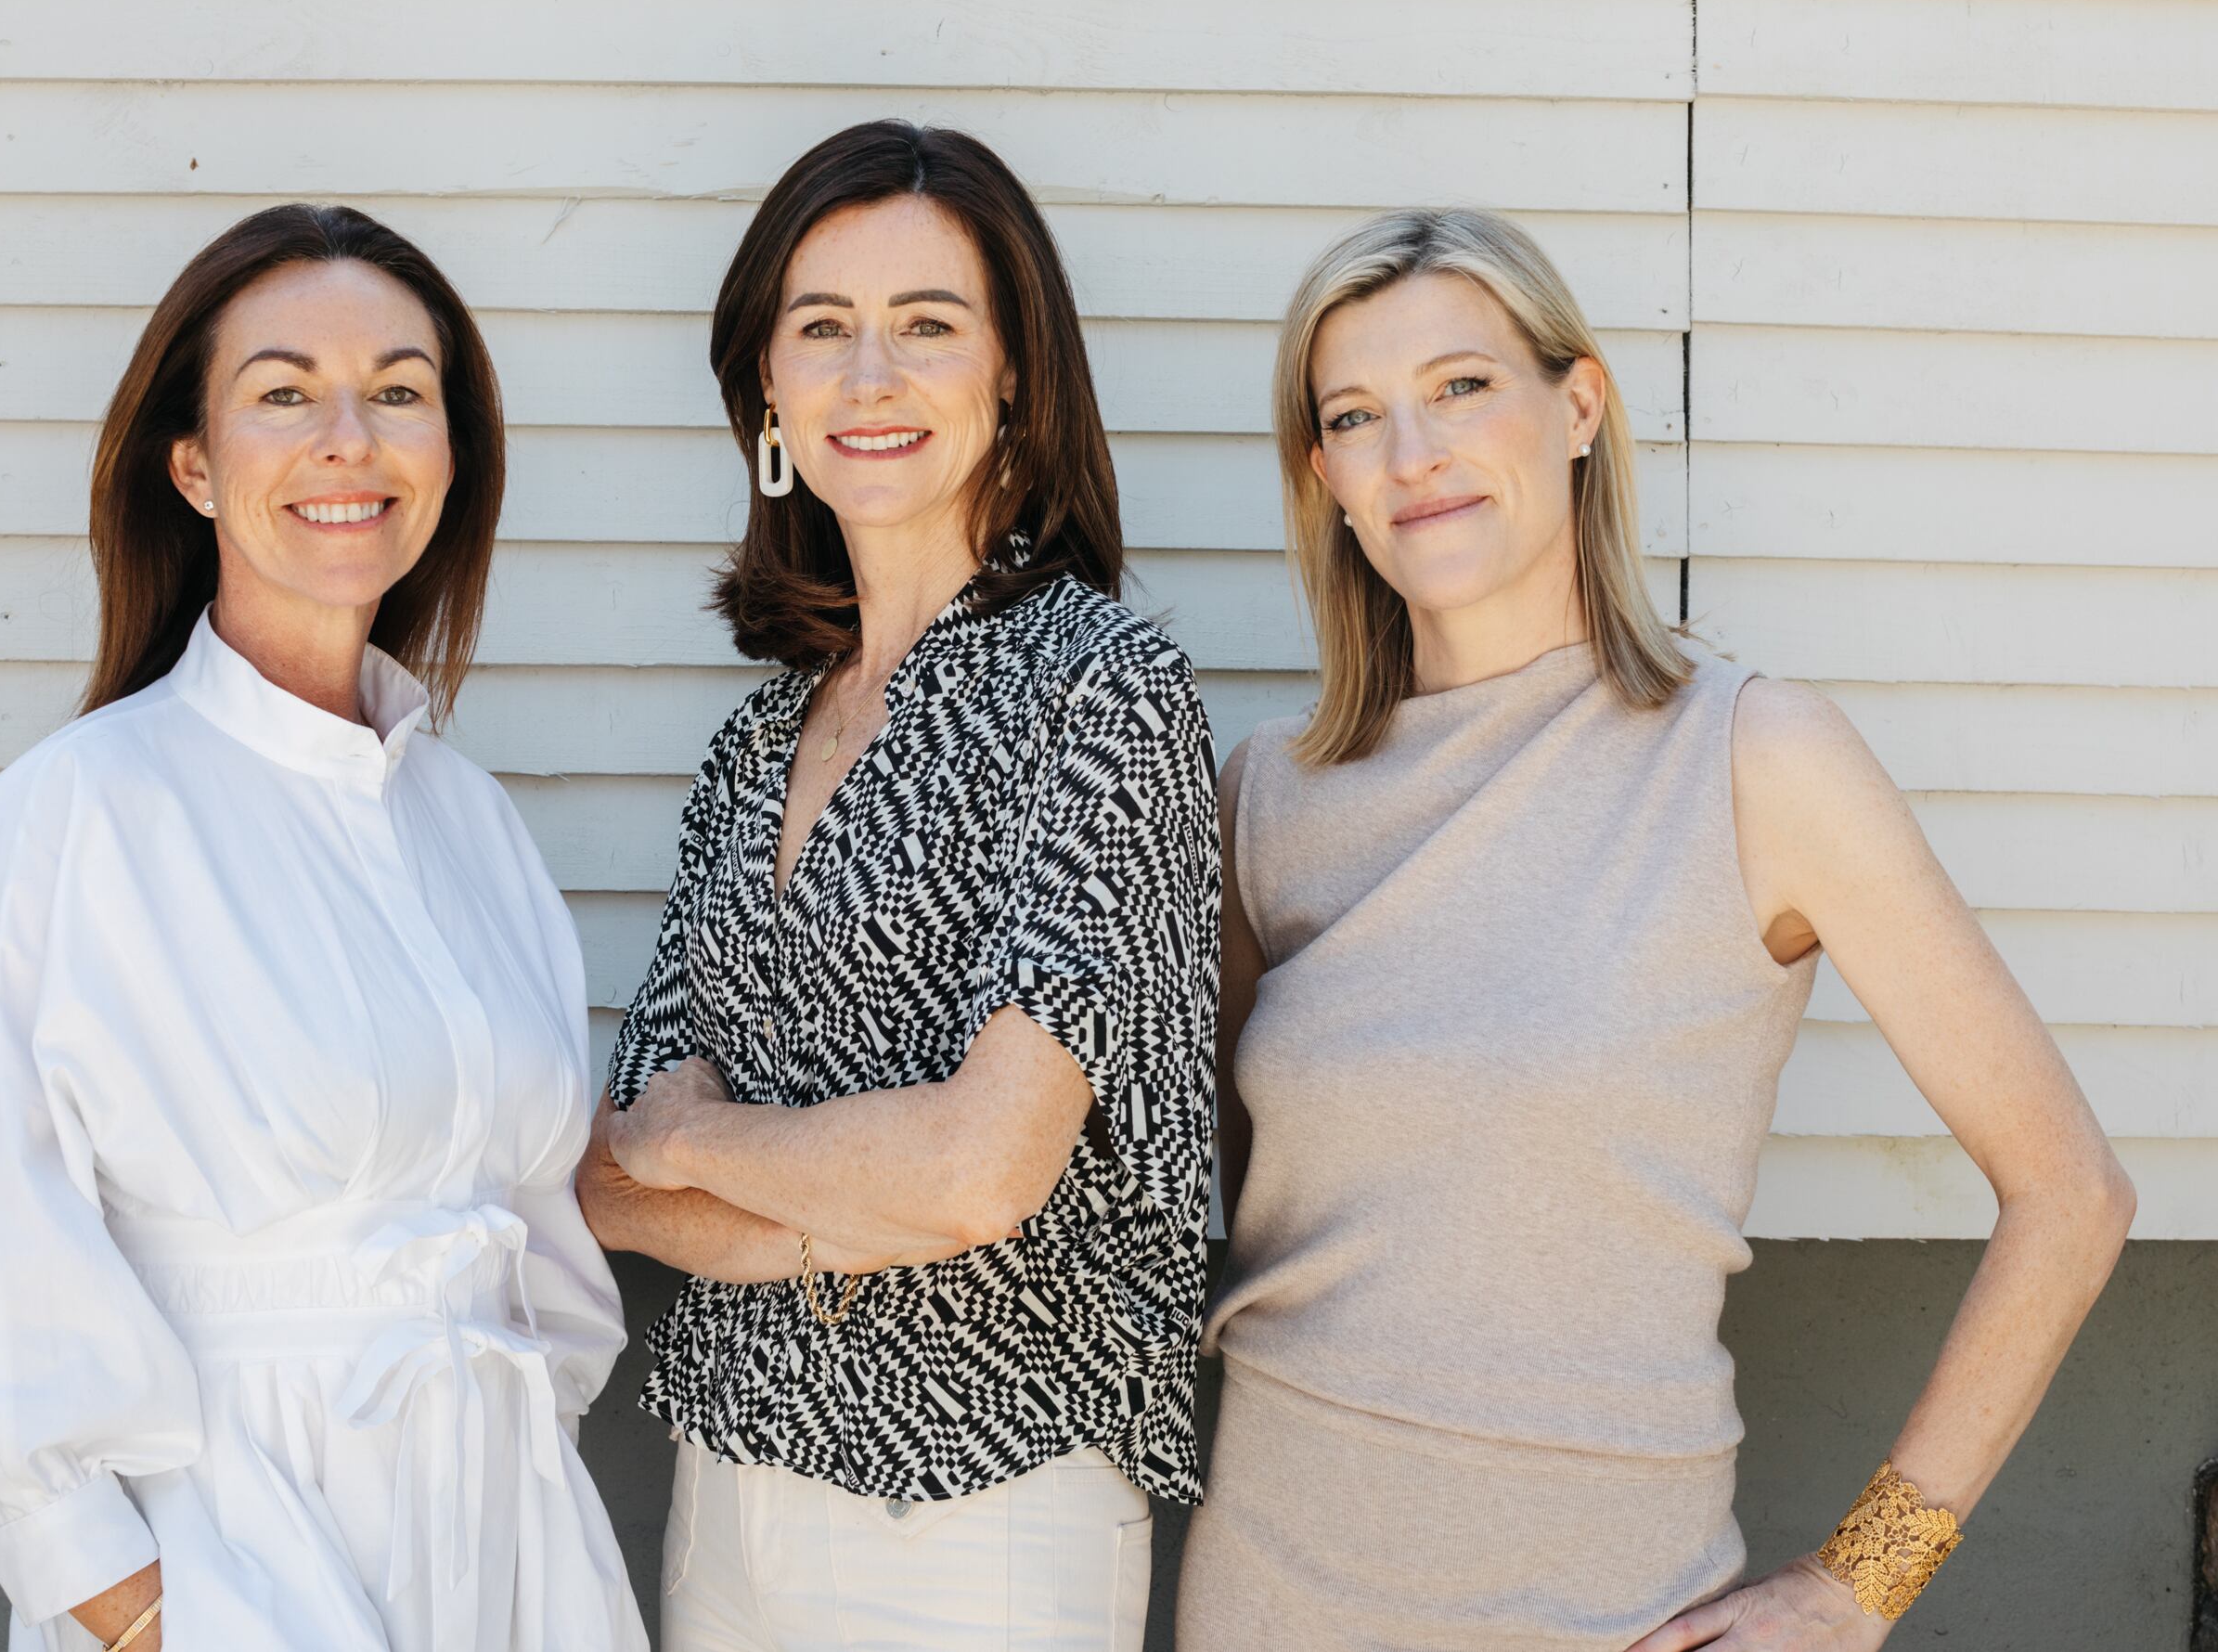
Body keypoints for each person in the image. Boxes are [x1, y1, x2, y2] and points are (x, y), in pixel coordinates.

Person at [1179, 208, 2134, 1651]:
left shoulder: (1758, 760)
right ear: (1327, 479)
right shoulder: (1266, 796)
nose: (1413, 453)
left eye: (1460, 387)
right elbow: (1255, 1226)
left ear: (1579, 405)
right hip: (1267, 1605)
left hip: (1608, 1614)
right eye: (1356, 417)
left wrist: (1859, 1585)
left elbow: (2073, 1192)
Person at [0, 204, 645, 1651]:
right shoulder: (69, 819)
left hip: (507, 1550)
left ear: (449, 455)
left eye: (401, 391)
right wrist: (139, 1607)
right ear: (195, 465)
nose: (351, 436)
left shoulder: (473, 827)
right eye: (284, 392)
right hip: (227, 1559)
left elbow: (539, 1253)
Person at [575, 120, 1219, 1651]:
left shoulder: (1105, 693)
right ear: (769, 395)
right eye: (824, 330)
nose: (871, 377)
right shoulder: (755, 745)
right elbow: (607, 1177)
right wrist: (857, 1201)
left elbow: (981, 1172)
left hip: (985, 1509)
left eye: (928, 326)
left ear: (1014, 376)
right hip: (726, 1489)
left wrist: (708, 1146)